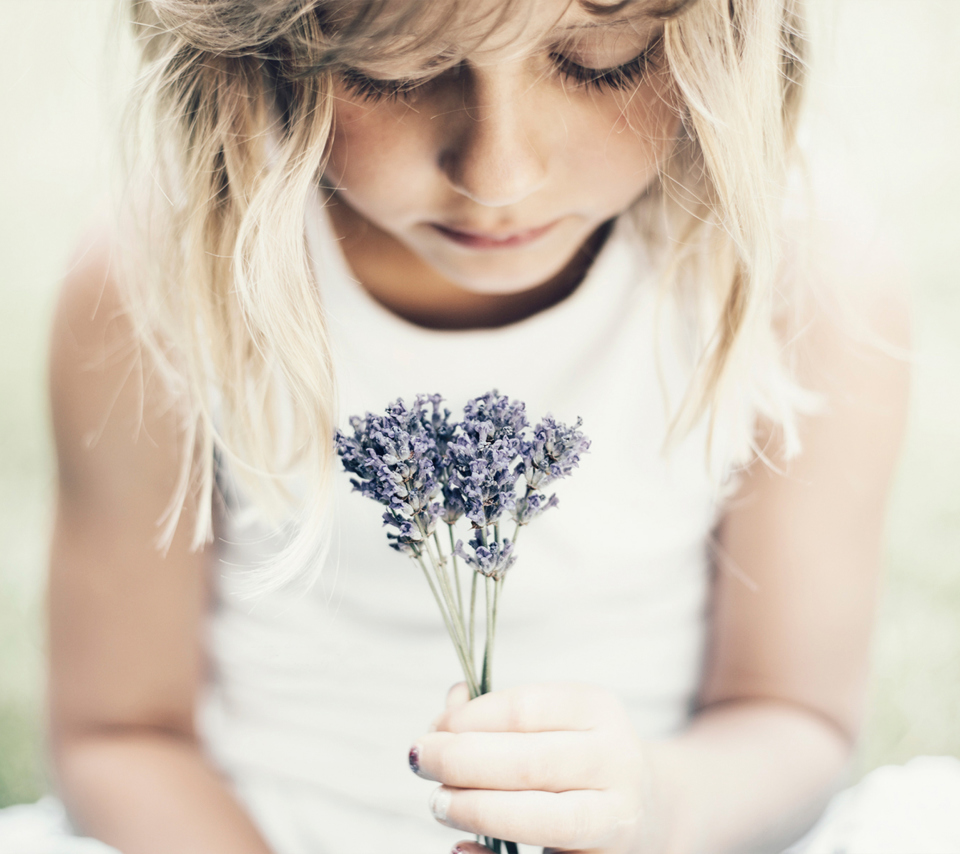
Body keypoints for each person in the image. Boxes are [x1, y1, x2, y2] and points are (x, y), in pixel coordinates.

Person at [5, 0, 927, 852]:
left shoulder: (804, 279)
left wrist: (652, 806)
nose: (498, 175)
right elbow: (118, 732)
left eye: (601, 63)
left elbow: (793, 722)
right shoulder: (161, 278)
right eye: (397, 73)